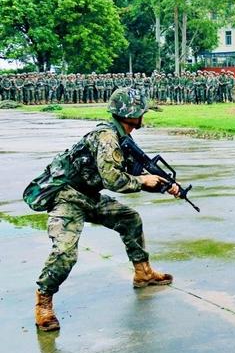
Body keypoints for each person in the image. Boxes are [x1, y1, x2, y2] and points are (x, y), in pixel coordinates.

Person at [30, 87, 178, 332]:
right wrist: (144, 181)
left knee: (130, 219)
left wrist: (164, 185)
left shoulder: (122, 137)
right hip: (68, 199)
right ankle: (43, 302)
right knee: (65, 253)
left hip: (89, 196)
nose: (144, 115)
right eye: (141, 111)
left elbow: (133, 173)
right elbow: (114, 180)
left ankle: (143, 273)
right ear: (132, 114)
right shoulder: (107, 137)